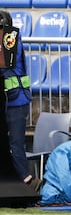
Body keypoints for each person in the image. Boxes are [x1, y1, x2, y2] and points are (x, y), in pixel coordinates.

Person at [0, 10, 41, 192]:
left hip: (16, 101)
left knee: (16, 143)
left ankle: (27, 181)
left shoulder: (10, 38)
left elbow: (4, 64)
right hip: (9, 99)